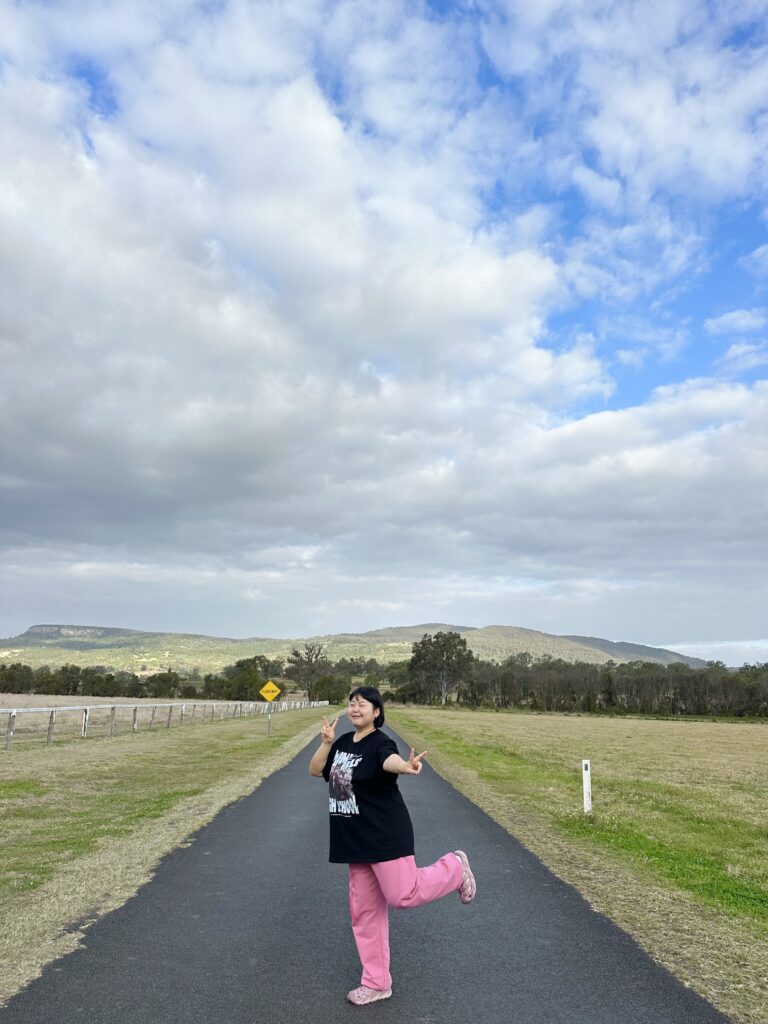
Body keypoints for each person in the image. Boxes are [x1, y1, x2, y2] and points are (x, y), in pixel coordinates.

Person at [308, 685, 476, 1006]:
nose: (355, 708)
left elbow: (390, 761)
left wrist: (406, 767)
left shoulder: (380, 742)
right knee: (365, 914)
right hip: (355, 840)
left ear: (376, 712)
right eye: (352, 703)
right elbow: (316, 770)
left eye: (363, 704)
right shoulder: (342, 743)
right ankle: (376, 983)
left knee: (403, 894)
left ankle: (454, 868)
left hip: (384, 833)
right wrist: (326, 743)